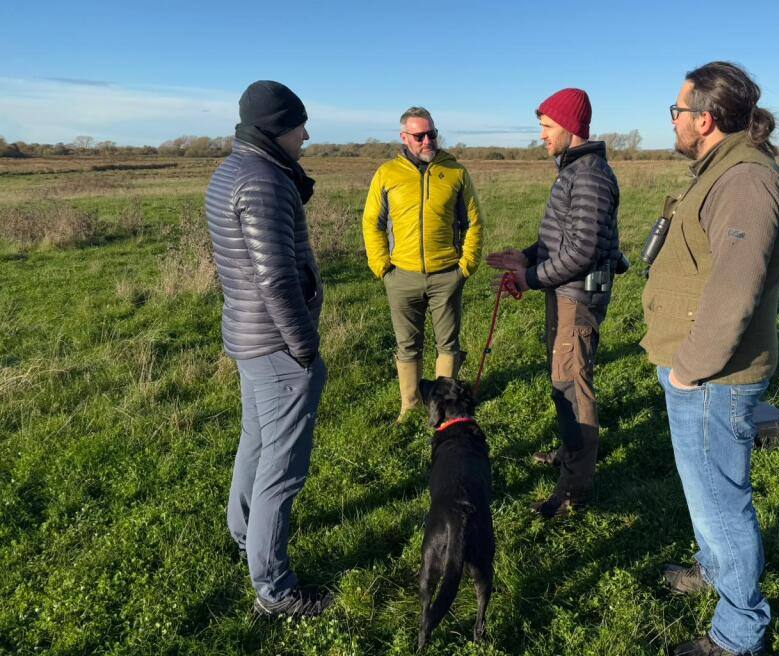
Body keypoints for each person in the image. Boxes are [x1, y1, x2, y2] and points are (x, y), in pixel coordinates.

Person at [642, 62, 779, 656]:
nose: (674, 121)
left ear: (703, 119)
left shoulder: (743, 181)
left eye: (677, 111)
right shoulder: (722, 170)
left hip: (713, 376)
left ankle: (739, 633)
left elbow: (735, 288)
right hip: (702, 371)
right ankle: (714, 568)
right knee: (705, 489)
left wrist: (689, 368)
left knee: (722, 500)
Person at [205, 80, 332, 618]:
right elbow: (276, 280)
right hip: (278, 346)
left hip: (249, 337)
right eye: (298, 124)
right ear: (276, 127)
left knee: (256, 445)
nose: (305, 134)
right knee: (283, 468)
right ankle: (275, 590)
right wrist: (305, 348)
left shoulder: (231, 170)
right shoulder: (263, 182)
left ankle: (245, 535)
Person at [487, 88, 621, 518]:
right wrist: (527, 256)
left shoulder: (590, 175)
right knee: (562, 380)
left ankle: (573, 491)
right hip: (563, 294)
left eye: (547, 127)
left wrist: (527, 278)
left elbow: (581, 251)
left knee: (573, 387)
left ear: (570, 127)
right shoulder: (574, 170)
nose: (541, 136)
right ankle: (569, 455)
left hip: (577, 301)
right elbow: (562, 238)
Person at [362, 106, 483, 420]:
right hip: (401, 276)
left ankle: (446, 407)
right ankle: (410, 405)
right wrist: (382, 268)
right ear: (404, 137)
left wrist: (465, 266)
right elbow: (372, 223)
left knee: (448, 342)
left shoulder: (455, 172)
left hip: (447, 275)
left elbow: (473, 222)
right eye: (420, 135)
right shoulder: (387, 174)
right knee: (408, 344)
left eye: (432, 133)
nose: (428, 140)